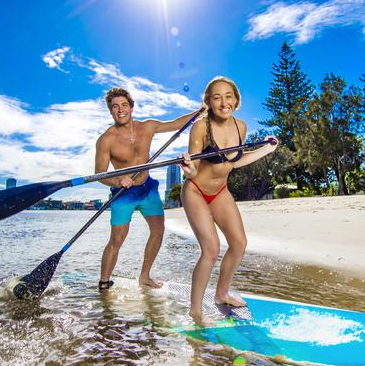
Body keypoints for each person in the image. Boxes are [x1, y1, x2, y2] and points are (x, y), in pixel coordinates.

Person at [180, 76, 278, 323]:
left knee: (239, 243)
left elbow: (234, 162)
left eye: (228, 96)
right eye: (216, 97)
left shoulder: (240, 127)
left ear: (236, 100)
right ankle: (195, 311)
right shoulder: (201, 127)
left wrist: (265, 149)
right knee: (211, 249)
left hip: (220, 192)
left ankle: (221, 294)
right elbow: (193, 168)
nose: (223, 102)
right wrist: (188, 169)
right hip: (195, 191)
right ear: (209, 103)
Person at [95, 87, 200, 290]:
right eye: (115, 107)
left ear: (131, 107)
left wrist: (200, 111)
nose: (120, 110)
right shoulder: (106, 140)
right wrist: (118, 181)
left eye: (124, 105)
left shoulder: (148, 127)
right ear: (110, 111)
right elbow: (100, 173)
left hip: (148, 188)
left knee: (158, 230)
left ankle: (144, 276)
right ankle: (104, 283)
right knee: (117, 240)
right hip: (123, 194)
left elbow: (177, 124)